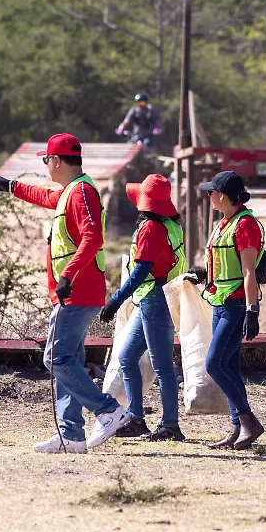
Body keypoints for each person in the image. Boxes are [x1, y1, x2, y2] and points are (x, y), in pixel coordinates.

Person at [0, 133, 131, 453]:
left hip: (76, 291)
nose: (45, 166)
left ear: (56, 161)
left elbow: (92, 238)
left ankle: (107, 410)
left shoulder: (81, 193)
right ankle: (72, 436)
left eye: (46, 160)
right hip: (76, 290)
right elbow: (47, 197)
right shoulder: (73, 192)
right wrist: (12, 187)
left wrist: (67, 275)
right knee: (69, 360)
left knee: (56, 357)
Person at [98, 174, 188, 441]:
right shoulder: (171, 224)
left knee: (163, 367)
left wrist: (115, 299)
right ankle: (136, 418)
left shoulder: (150, 228)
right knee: (126, 358)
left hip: (154, 299)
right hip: (157, 298)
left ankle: (170, 425)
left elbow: (140, 272)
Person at [196, 171, 266, 450]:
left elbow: (249, 272)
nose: (209, 196)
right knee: (230, 367)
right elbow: (225, 264)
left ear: (222, 196)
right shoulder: (224, 223)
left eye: (211, 192)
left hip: (236, 306)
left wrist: (252, 311)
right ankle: (238, 427)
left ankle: (250, 422)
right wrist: (201, 274)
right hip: (220, 302)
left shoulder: (245, 225)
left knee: (214, 364)